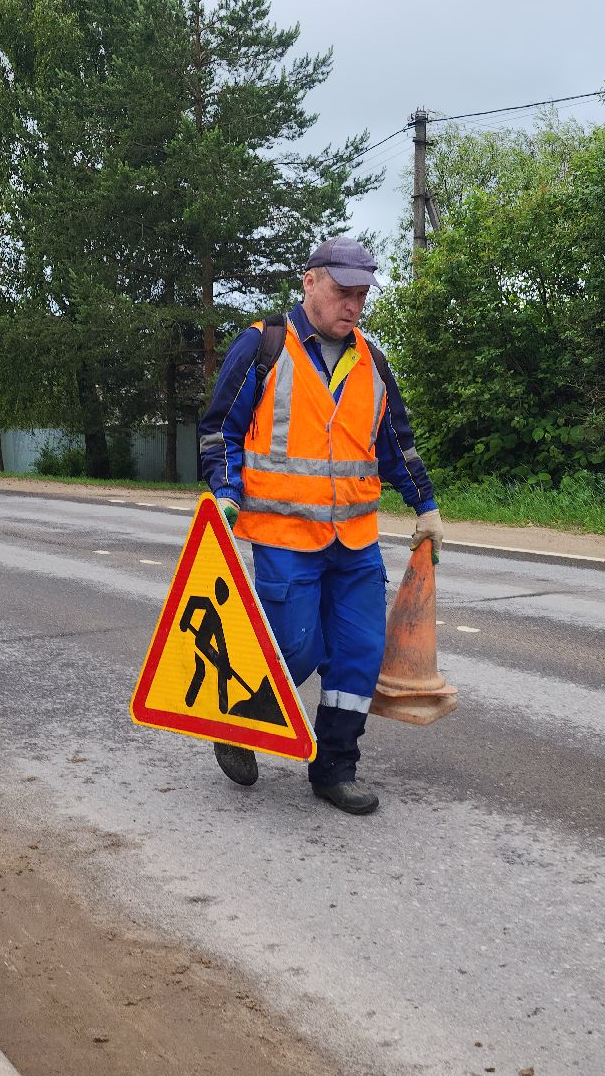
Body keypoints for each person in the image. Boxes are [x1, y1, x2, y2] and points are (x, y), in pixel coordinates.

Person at [197, 236, 445, 816]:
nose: (352, 305)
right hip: (286, 539)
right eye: (342, 292)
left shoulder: (373, 362)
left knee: (359, 652)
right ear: (309, 283)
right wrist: (226, 493)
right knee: (297, 647)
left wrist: (424, 506)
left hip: (355, 540)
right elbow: (219, 431)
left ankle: (335, 765)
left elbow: (396, 445)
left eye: (361, 294)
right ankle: (238, 722)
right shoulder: (263, 347)